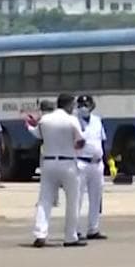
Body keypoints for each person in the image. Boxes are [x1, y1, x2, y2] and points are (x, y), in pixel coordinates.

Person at [27, 93, 86, 248]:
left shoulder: (45, 120)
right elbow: (80, 141)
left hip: (48, 162)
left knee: (44, 199)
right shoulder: (72, 120)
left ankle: (40, 233)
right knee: (72, 200)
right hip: (68, 163)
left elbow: (37, 134)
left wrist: (29, 125)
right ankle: (70, 236)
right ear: (68, 105)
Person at [74, 95, 107, 241]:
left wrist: (107, 160)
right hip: (81, 162)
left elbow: (102, 141)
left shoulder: (97, 121)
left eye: (86, 104)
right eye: (81, 104)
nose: (84, 107)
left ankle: (93, 228)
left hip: (97, 163)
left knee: (96, 197)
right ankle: (75, 230)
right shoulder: (73, 121)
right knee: (78, 198)